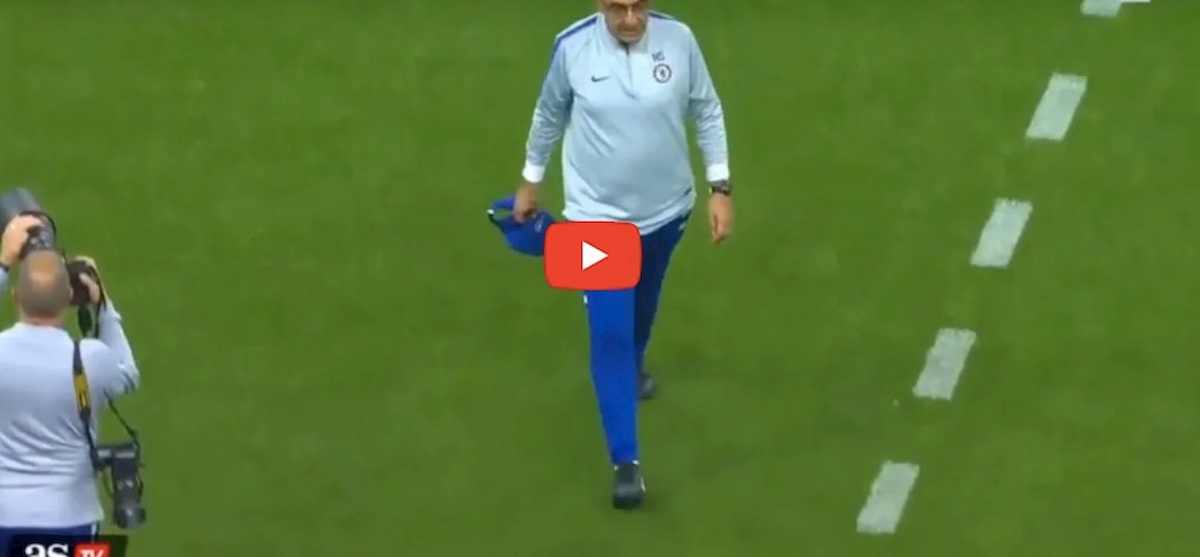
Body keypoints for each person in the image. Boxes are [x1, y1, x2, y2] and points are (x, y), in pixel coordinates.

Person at [511, 0, 735, 509]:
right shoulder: (572, 48)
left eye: (638, 6)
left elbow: (706, 108)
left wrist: (720, 187)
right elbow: (549, 113)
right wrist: (531, 180)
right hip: (596, 222)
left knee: (643, 304)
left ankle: (634, 366)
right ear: (600, 6)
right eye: (618, 8)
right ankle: (626, 463)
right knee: (610, 331)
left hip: (666, 212)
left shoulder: (680, 41)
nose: (630, 19)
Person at [0, 216, 140, 551]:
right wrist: (102, 303)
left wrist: (3, 262)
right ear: (67, 297)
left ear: (16, 296)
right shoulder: (90, 359)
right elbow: (128, 372)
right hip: (72, 518)